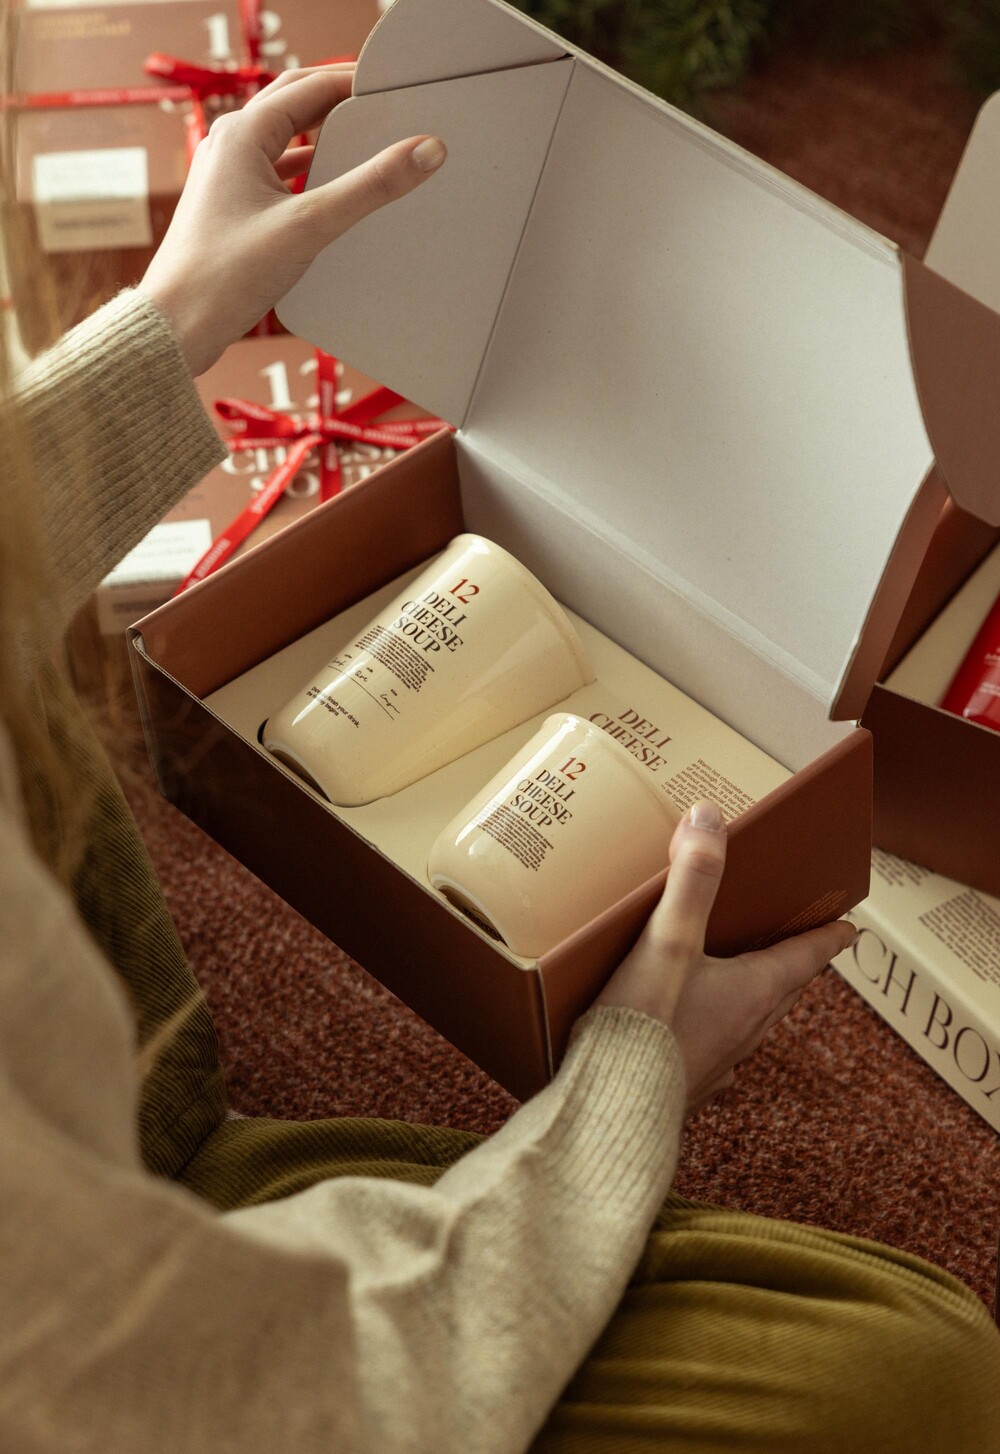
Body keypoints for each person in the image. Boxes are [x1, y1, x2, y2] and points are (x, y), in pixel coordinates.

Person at [2, 64, 998, 1454]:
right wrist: (628, 1082)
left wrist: (170, 324)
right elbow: (288, 1393)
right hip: (148, 1341)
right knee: (925, 1369)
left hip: (106, 1145)